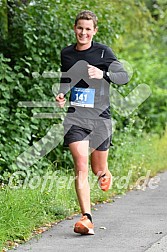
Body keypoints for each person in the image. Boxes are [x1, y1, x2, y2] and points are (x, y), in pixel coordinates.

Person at [56, 10, 129, 235]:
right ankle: (86, 218)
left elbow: (123, 77)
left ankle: (105, 174)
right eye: (80, 28)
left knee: (98, 169)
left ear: (94, 31)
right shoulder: (67, 53)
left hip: (100, 119)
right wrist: (61, 93)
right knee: (80, 164)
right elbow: (66, 78)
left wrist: (103, 74)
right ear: (74, 28)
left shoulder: (103, 52)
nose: (83, 33)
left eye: (88, 29)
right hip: (76, 117)